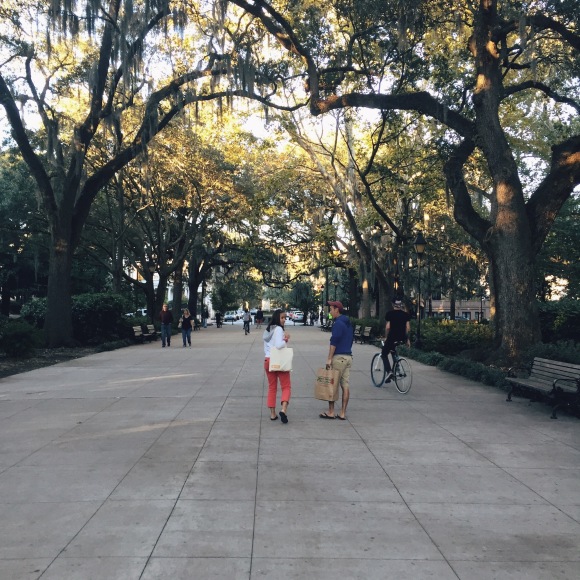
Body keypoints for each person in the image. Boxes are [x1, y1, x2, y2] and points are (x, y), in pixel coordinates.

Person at [320, 301, 353, 420]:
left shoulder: (338, 324)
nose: (330, 312)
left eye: (331, 309)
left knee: (332, 385)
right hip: (348, 357)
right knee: (345, 385)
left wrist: (329, 358)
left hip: (339, 357)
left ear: (336, 310)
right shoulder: (348, 322)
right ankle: (343, 413)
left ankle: (331, 412)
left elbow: (334, 342)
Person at [263, 309, 291, 423]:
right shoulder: (278, 329)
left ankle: (273, 414)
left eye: (285, 318)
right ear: (277, 318)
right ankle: (283, 409)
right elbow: (279, 345)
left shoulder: (267, 330)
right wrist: (286, 339)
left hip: (267, 360)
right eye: (282, 318)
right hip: (278, 360)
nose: (284, 320)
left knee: (272, 387)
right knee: (286, 386)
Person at [381, 298, 411, 383]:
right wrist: (407, 339)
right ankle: (397, 366)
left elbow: (388, 327)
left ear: (393, 305)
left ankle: (389, 372)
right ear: (400, 305)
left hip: (392, 337)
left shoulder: (389, 314)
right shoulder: (406, 315)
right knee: (393, 350)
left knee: (384, 354)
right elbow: (407, 328)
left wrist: (386, 337)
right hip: (402, 338)